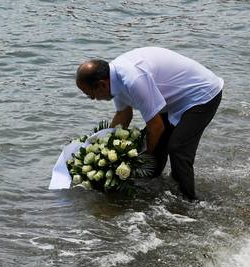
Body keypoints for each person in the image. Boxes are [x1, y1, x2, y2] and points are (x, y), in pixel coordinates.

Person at [75, 47, 223, 201]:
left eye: (90, 94)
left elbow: (156, 126)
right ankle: (154, 193)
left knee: (178, 149)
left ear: (102, 85)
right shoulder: (114, 79)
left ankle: (189, 203)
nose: (92, 98)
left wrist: (143, 159)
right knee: (153, 147)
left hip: (202, 95)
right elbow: (123, 115)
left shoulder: (133, 79)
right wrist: (105, 148)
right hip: (171, 100)